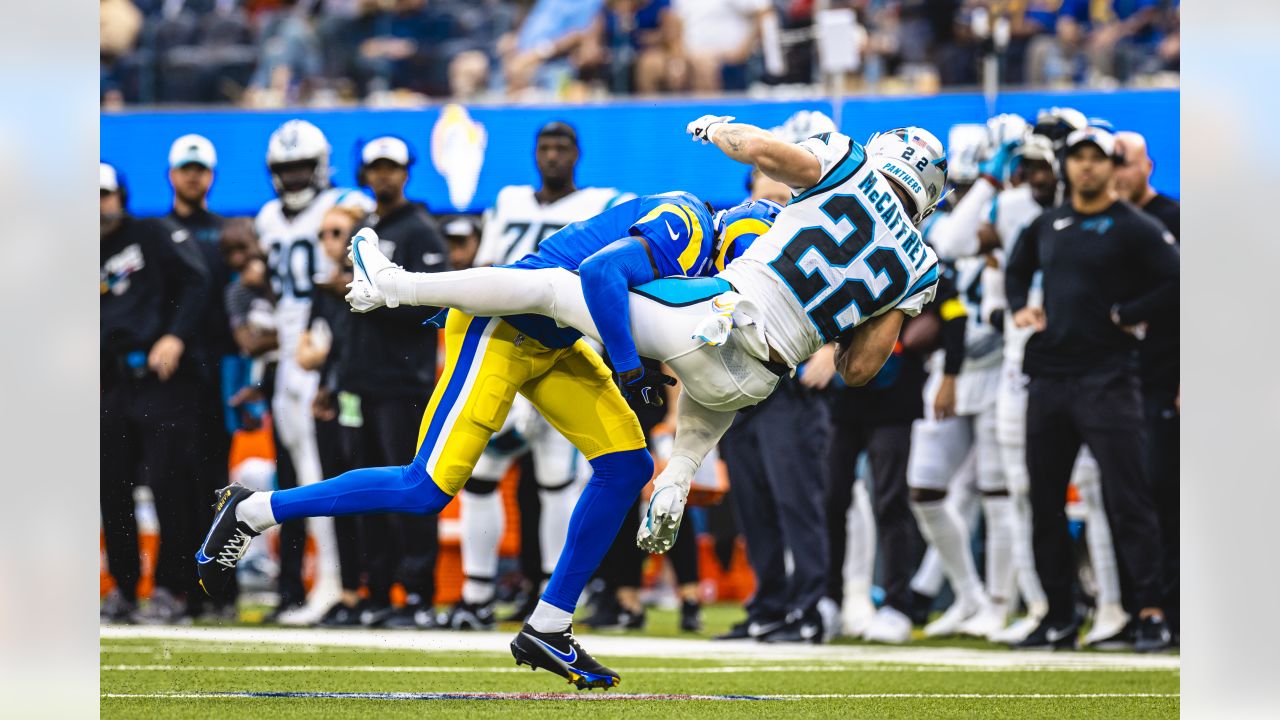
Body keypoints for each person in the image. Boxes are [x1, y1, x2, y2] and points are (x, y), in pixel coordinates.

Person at [199, 187, 777, 690]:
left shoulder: (709, 253)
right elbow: (602, 274)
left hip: (555, 343)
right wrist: (629, 366)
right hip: (501, 329)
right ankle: (253, 510)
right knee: (424, 488)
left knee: (627, 467)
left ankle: (549, 626)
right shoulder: (688, 225)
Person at [449, 121, 634, 629]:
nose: (552, 156)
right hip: (504, 347)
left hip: (563, 352)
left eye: (562, 147)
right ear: (535, 154)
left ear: (577, 153)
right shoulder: (507, 202)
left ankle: (552, 601)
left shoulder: (602, 202)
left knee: (557, 481)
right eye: (544, 148)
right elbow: (484, 274)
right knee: (480, 477)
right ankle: (476, 593)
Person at [1004, 126, 1178, 652]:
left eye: (1096, 158)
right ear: (1066, 166)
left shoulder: (1134, 226)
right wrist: (1019, 307)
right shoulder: (1048, 223)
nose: (1085, 167)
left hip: (1109, 378)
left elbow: (1178, 277)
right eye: (1076, 157)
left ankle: (1148, 612)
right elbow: (1016, 268)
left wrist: (1131, 314)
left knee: (1129, 498)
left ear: (1111, 166)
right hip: (1051, 378)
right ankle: (1058, 615)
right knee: (1045, 501)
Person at [252, 119, 373, 624]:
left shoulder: (343, 202)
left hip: (323, 354)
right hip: (285, 357)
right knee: (298, 474)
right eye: (287, 169)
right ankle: (307, 585)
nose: (296, 178)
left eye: (304, 168)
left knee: (322, 474)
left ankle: (335, 583)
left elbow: (363, 231)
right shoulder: (266, 218)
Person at [345, 135, 450, 629]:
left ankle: (419, 596)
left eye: (392, 167)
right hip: (364, 382)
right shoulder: (368, 228)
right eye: (375, 167)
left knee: (408, 489)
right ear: (365, 174)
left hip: (404, 383)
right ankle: (379, 590)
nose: (383, 176)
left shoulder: (420, 231)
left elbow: (434, 306)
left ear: (406, 171)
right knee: (366, 488)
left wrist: (383, 298)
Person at [101, 161, 211, 623]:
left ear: (121, 197)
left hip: (160, 377)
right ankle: (124, 588)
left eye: (103, 195)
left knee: (170, 486)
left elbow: (196, 279)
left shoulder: (150, 232)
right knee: (111, 488)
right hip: (109, 381)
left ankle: (171, 587)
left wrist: (175, 335)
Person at [162, 133, 238, 622]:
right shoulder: (154, 231)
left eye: (201, 168)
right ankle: (175, 587)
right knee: (172, 483)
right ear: (172, 174)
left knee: (216, 484)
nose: (193, 175)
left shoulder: (229, 233)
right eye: (186, 167)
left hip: (218, 373)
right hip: (171, 377)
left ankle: (217, 593)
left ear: (211, 175)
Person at [1114, 129, 1180, 643]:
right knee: (1125, 497)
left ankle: (1175, 611)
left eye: (1126, 161)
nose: (1118, 170)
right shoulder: (1104, 224)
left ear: (1148, 166)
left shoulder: (1172, 219)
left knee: (1166, 495)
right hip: (1115, 379)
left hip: (1163, 377)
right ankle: (1137, 609)